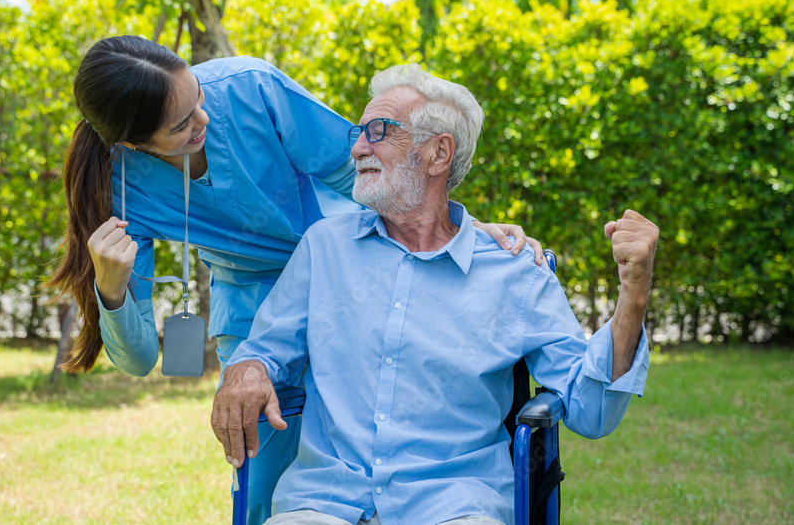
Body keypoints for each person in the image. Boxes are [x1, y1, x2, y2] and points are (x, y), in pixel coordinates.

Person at [46, 36, 546, 525]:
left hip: (352, 282)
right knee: (268, 496)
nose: (205, 119)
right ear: (134, 143)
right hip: (252, 314)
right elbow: (136, 360)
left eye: (198, 97)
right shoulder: (118, 189)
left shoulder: (249, 88)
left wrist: (457, 227)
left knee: (383, 454)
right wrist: (110, 289)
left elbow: (358, 165)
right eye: (182, 124)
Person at [211, 63, 660, 525]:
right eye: (358, 133)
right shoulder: (324, 248)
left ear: (437, 153)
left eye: (378, 130)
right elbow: (264, 350)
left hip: (454, 508)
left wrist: (634, 296)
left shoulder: (514, 273)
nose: (358, 147)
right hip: (324, 503)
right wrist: (247, 368)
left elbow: (591, 410)